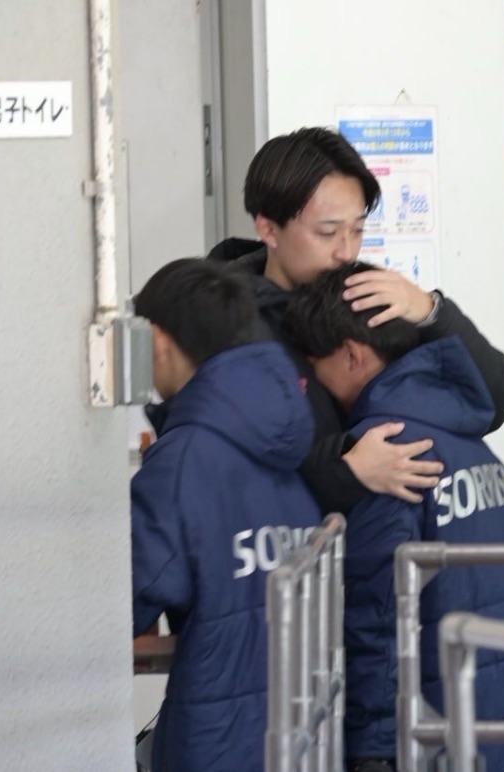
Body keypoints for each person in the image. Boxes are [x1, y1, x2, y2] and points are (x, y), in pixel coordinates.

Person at [284, 262, 504, 772]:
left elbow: (379, 620)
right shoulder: (466, 436)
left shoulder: (388, 453)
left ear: (351, 355)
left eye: (314, 366)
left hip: (473, 742)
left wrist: (373, 753)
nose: (312, 384)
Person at [208, 126, 504, 515]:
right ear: (268, 228)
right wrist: (346, 472)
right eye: (327, 232)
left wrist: (432, 312)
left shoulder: (366, 297)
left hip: (387, 540)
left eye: (357, 230)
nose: (346, 251)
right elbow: (226, 478)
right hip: (296, 549)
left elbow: (491, 402)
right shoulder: (222, 328)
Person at [129, 258, 322, 772]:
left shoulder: (184, 459)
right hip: (303, 739)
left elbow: (116, 607)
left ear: (158, 340)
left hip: (218, 741)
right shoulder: (284, 438)